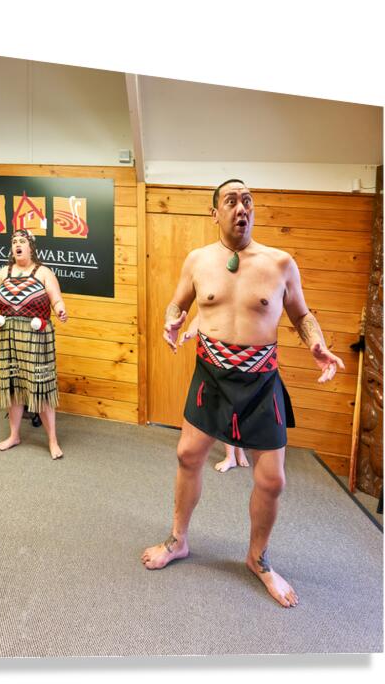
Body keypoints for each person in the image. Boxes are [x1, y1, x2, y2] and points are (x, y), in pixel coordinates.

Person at [141, 179, 345, 608]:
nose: (241, 208)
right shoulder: (198, 260)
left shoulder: (280, 263)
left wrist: (316, 343)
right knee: (187, 456)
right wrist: (171, 320)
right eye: (231, 201)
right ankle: (178, 540)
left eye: (247, 201)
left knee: (272, 480)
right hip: (211, 377)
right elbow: (178, 303)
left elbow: (302, 315)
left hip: (261, 382)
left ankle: (259, 559)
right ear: (214, 212)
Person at [0, 229, 68, 459]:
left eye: (22, 241)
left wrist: (60, 310)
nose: (17, 245)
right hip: (9, 336)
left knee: (42, 389)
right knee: (13, 388)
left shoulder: (44, 273)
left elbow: (56, 299)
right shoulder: (4, 272)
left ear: (31, 247)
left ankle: (52, 441)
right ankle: (14, 435)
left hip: (36, 338)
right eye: (14, 242)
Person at [181, 315, 248, 472]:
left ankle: (239, 450)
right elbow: (201, 315)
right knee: (225, 407)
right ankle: (230, 456)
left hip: (247, 358)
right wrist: (190, 332)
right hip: (219, 356)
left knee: (241, 408)